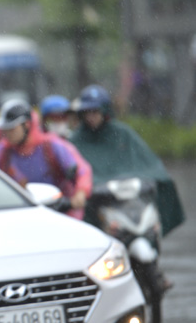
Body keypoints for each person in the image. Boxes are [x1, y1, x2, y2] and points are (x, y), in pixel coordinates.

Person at [69, 84, 185, 235]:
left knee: (165, 185)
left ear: (105, 111)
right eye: (87, 112)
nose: (91, 116)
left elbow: (148, 161)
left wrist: (152, 175)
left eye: (95, 111)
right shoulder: (75, 140)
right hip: (97, 202)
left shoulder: (122, 133)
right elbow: (70, 170)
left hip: (126, 199)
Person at [0, 99, 90, 219]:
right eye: (5, 129)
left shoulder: (51, 146)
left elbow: (82, 170)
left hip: (59, 215)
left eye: (12, 129)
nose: (7, 134)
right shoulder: (0, 153)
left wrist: (81, 193)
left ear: (27, 125)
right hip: (18, 218)